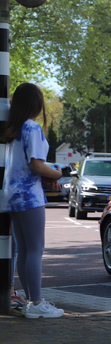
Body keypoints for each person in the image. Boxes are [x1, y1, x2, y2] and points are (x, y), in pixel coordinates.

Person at [0, 83, 64, 318]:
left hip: (11, 196)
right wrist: (57, 174)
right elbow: (35, 164)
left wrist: (44, 177)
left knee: (24, 251)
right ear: (36, 105)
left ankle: (31, 301)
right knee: (36, 249)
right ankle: (36, 304)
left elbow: (24, 165)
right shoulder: (33, 128)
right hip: (29, 196)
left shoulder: (13, 130)